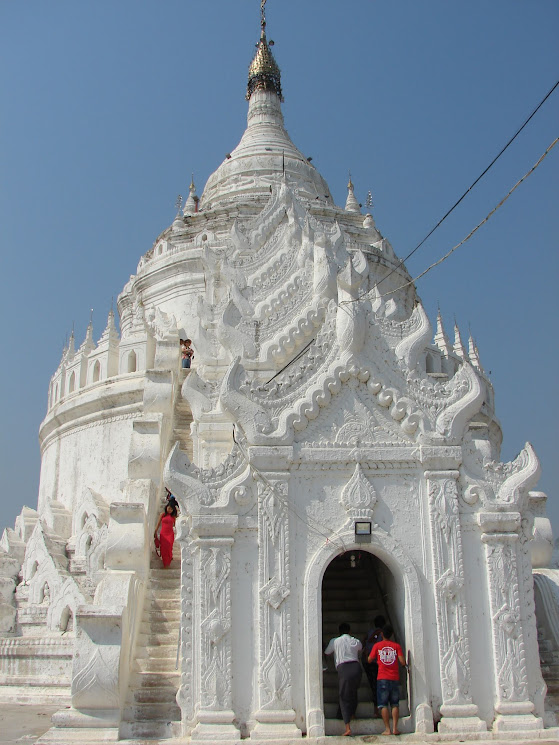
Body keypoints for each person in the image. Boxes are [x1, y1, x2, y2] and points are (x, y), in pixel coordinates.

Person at [324, 622, 363, 736]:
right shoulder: (354, 640)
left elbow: (327, 652)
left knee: (344, 696)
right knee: (353, 692)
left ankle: (347, 727)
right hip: (356, 668)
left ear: (339, 632)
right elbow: (360, 647)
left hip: (344, 669)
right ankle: (352, 714)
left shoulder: (335, 641)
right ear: (350, 631)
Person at [368, 625, 406, 736]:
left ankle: (387, 729)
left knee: (383, 704)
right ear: (392, 634)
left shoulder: (377, 645)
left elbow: (369, 659)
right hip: (394, 678)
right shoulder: (396, 646)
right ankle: (395, 728)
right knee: (395, 704)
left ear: (381, 634)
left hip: (382, 678)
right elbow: (402, 662)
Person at [362, 614, 386, 717]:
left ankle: (376, 709)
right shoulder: (383, 634)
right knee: (379, 686)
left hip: (369, 661)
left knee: (374, 685)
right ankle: (379, 708)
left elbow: (363, 642)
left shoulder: (370, 632)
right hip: (378, 663)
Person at [154, 502, 177, 567]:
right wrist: (155, 531)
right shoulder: (162, 515)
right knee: (163, 548)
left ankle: (168, 561)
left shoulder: (173, 517)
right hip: (163, 533)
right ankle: (165, 562)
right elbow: (158, 524)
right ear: (166, 507)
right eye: (169, 508)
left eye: (171, 509)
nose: (169, 510)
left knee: (169, 547)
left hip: (170, 534)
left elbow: (175, 526)